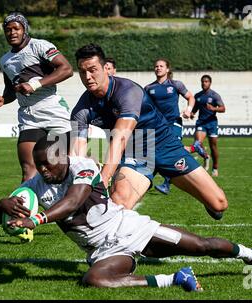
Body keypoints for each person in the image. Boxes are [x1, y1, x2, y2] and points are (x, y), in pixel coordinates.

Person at [0, 136, 252, 290]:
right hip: (102, 250)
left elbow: (73, 199)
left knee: (202, 246)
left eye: (48, 164)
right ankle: (175, 278)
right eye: (39, 165)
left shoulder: (81, 165)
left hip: (129, 229)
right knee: (93, 280)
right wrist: (2, 205)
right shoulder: (38, 184)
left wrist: (36, 219)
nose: (43, 171)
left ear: (61, 156)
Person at [70, 44, 227, 220]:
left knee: (219, 204)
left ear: (106, 68)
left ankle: (203, 195)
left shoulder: (127, 91)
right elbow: (76, 154)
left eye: (93, 70)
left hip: (165, 145)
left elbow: (120, 139)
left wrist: (103, 180)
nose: (88, 77)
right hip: (136, 153)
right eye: (82, 72)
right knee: (118, 203)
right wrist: (75, 181)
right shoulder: (81, 108)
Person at [0, 12, 73, 182]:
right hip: (29, 117)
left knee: (62, 167)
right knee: (29, 169)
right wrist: (3, 99)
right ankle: (24, 208)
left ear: (24, 29)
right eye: (8, 30)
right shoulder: (5, 60)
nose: (12, 32)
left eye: (16, 28)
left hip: (53, 110)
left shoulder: (40, 46)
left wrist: (35, 84)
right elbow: (11, 89)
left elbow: (66, 69)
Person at [145, 58, 209, 195]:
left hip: (174, 121)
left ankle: (165, 184)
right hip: (158, 126)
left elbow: (191, 97)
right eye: (156, 66)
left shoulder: (175, 84)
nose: (158, 68)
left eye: (161, 66)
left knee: (171, 152)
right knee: (157, 151)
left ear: (167, 69)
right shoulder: (149, 88)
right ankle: (194, 147)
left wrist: (188, 110)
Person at [191, 75, 226, 177]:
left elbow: (223, 108)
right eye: (202, 82)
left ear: (210, 83)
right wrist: (192, 113)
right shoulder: (198, 96)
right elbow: (195, 109)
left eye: (206, 82)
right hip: (201, 123)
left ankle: (215, 168)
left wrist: (213, 109)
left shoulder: (215, 95)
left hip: (212, 123)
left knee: (213, 146)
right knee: (198, 143)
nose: (204, 83)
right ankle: (206, 156)